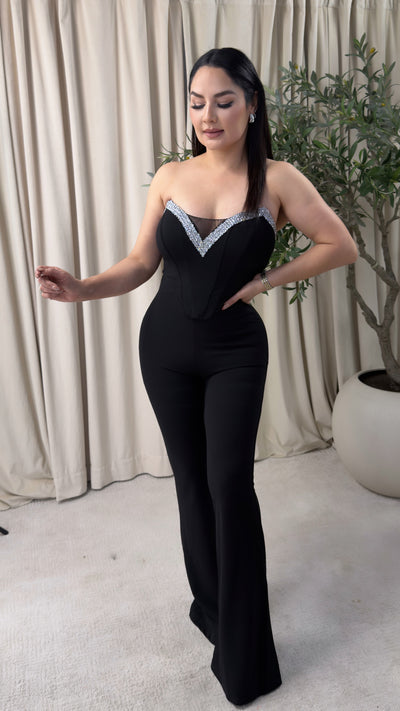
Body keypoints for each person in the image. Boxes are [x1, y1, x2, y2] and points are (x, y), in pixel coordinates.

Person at [36, 48, 358, 706]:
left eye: (223, 101)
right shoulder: (171, 176)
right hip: (164, 350)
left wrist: (266, 280)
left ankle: (244, 654)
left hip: (236, 352)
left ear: (252, 105)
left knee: (229, 486)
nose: (208, 115)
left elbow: (340, 245)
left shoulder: (279, 180)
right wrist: (83, 288)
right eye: (196, 103)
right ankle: (211, 606)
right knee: (190, 484)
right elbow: (139, 263)